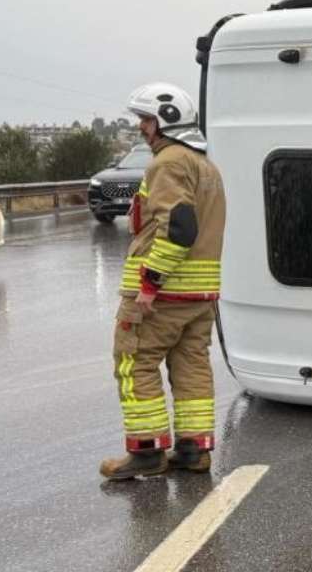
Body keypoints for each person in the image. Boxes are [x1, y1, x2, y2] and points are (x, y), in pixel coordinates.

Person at [99, 82, 227, 480]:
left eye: (145, 120)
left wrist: (150, 284)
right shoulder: (204, 165)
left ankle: (147, 451)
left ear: (164, 122)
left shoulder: (168, 163)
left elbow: (180, 228)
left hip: (165, 291)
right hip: (199, 293)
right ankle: (193, 451)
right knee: (191, 365)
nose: (141, 127)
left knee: (134, 361)